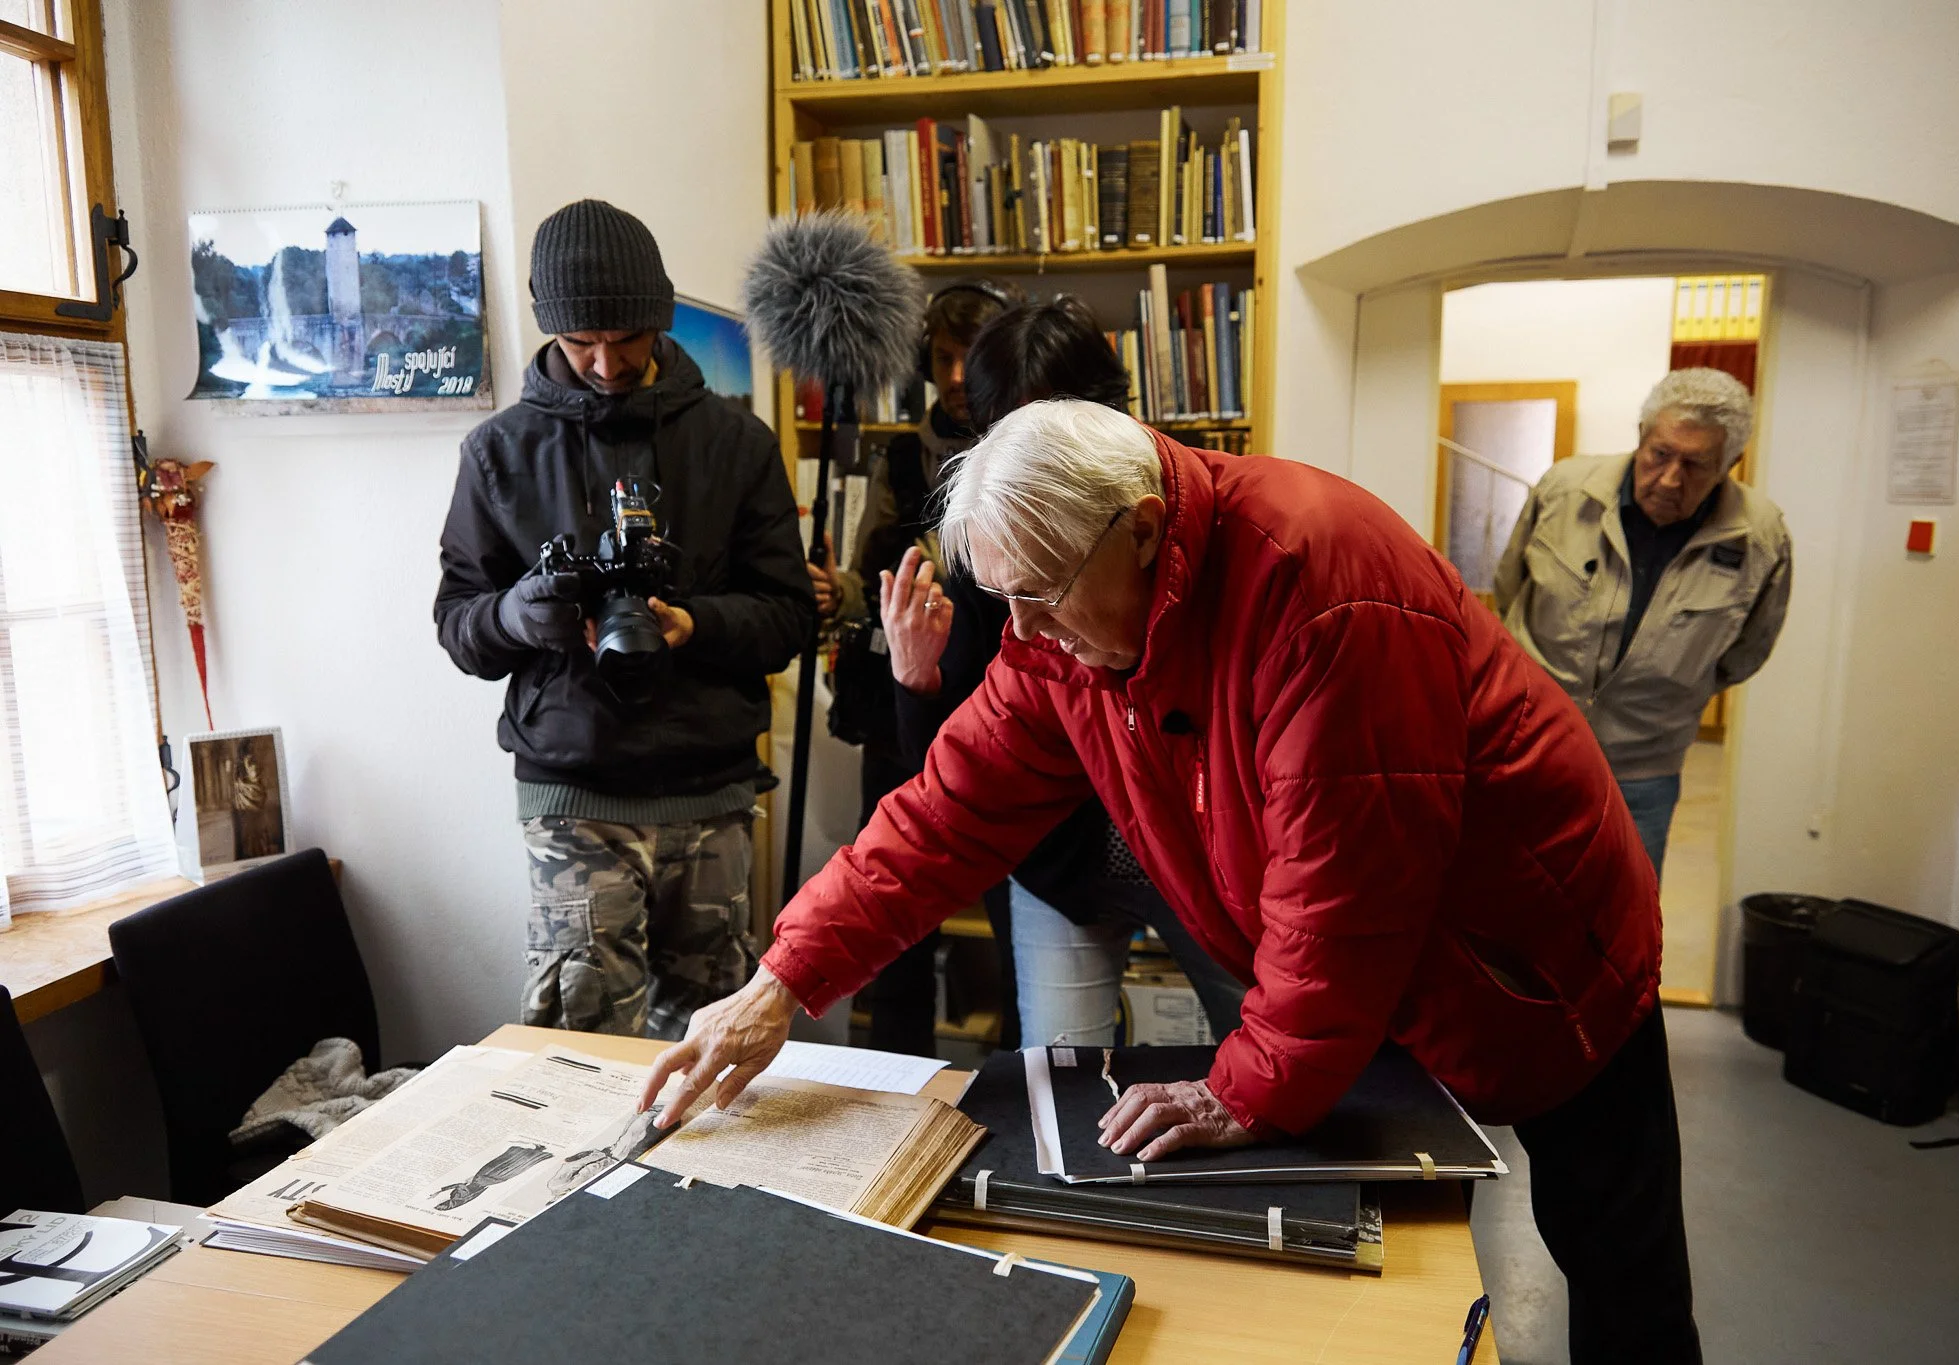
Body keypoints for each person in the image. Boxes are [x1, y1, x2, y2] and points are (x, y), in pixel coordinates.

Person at [643, 400, 1699, 1362]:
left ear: (1143, 530)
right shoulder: (1065, 622)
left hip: (1532, 966)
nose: (1020, 635)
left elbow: (1346, 894)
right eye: (1000, 601)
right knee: (1387, 1283)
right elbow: (944, 813)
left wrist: (1242, 1086)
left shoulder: (1322, 583)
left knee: (1619, 1277)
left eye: (1038, 597)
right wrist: (781, 980)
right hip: (1373, 988)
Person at [435, 199, 812, 1040]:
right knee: (579, 1053)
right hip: (574, 798)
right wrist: (517, 614)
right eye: (582, 344)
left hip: (710, 795)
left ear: (662, 317)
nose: (608, 364)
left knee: (718, 1057)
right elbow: (459, 625)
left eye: (630, 339)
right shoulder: (496, 454)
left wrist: (694, 625)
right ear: (550, 331)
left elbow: (790, 617)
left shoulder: (736, 443)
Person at [877, 297, 1243, 1046]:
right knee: (1059, 1074)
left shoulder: (1183, 509)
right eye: (1005, 433)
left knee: (1255, 1041)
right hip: (1057, 863)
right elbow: (958, 773)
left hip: (1198, 851)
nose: (1028, 458)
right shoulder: (990, 538)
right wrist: (917, 682)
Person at [806, 279, 1014, 1056]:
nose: (958, 374)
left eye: (971, 356)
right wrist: (844, 591)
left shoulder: (1026, 451)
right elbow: (873, 571)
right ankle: (896, 1085)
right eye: (945, 356)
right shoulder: (901, 455)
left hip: (999, 718)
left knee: (1017, 916)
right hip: (900, 721)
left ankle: (1023, 1089)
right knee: (894, 912)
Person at [1494, 367, 1792, 877]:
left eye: (1697, 465)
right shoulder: (1565, 491)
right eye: (1660, 454)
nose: (1671, 479)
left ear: (1730, 464)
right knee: (1501, 901)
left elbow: (1747, 651)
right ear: (1640, 437)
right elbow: (1507, 591)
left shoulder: (1759, 537)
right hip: (1529, 747)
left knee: (1617, 924)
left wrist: (1670, 690)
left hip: (1643, 770)